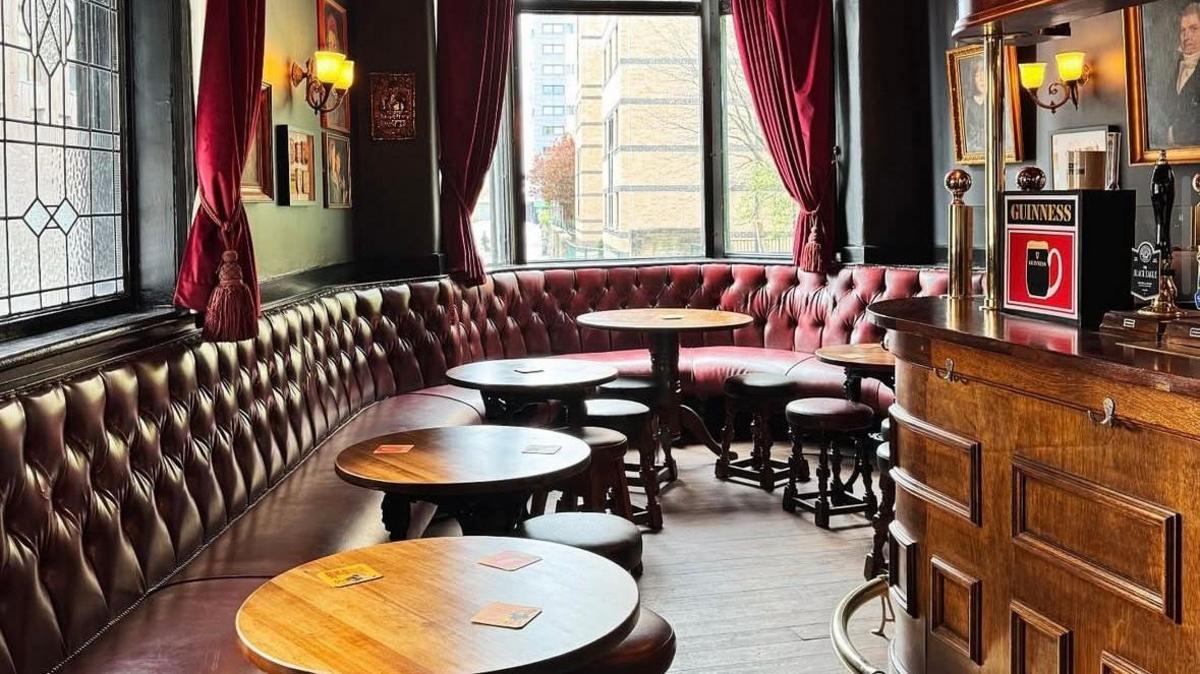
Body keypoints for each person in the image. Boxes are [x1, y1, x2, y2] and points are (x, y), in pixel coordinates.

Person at [1152, 2, 1200, 147]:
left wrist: (1175, 134)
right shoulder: (1170, 66)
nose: (1187, 36)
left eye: (1194, 28)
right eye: (1183, 30)